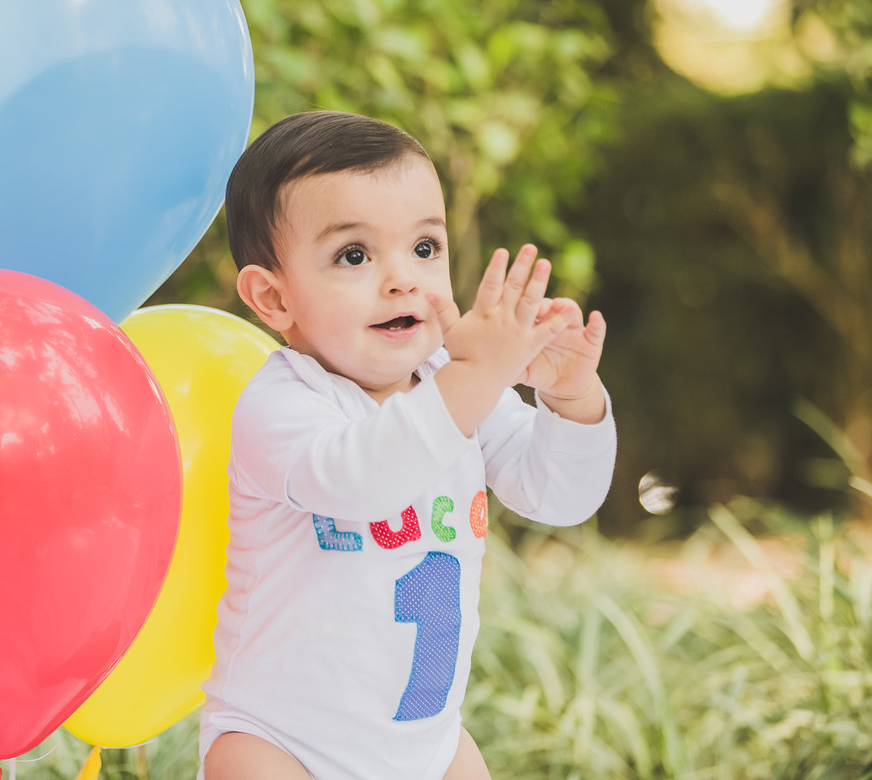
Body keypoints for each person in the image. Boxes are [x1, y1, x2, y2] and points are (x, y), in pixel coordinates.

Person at [199, 111, 617, 780]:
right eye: (355, 256)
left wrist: (569, 398)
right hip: (279, 743)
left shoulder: (453, 390)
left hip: (429, 748)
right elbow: (362, 480)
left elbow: (560, 497)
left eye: (425, 249)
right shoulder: (282, 404)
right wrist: (475, 375)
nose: (403, 280)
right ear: (274, 298)